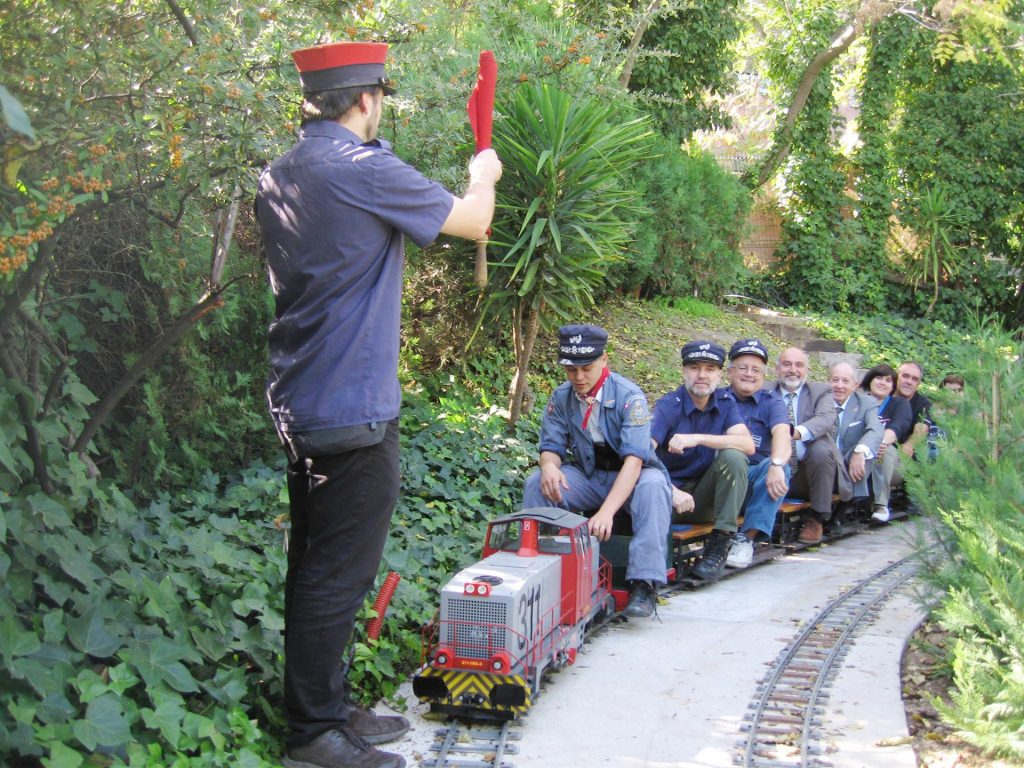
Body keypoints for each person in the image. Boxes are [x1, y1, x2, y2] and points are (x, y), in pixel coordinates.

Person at [256, 41, 502, 768]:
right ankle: (312, 734)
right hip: (351, 408)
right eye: (382, 98)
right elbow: (472, 221)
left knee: (317, 565)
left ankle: (324, 709)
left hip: (302, 402)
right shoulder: (360, 169)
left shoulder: (283, 170)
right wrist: (480, 174)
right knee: (338, 574)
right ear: (366, 99)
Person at [523, 324, 672, 620]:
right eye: (571, 369)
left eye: (586, 368)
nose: (579, 377)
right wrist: (549, 466)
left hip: (634, 476)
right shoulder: (562, 397)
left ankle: (644, 583)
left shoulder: (631, 398)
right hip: (590, 475)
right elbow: (550, 445)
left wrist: (606, 512)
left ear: (604, 360)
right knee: (536, 482)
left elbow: (635, 462)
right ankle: (540, 570)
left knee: (654, 487)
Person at [650, 341, 755, 582]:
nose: (702, 375)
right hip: (669, 500)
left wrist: (697, 438)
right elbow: (643, 453)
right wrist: (671, 489)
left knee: (734, 456)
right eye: (695, 367)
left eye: (709, 369)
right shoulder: (669, 406)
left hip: (703, 497)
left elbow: (748, 445)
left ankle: (719, 545)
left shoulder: (725, 403)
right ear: (684, 371)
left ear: (719, 374)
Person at [720, 340, 792, 568]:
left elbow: (782, 432)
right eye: (743, 368)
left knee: (779, 468)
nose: (749, 374)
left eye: (756, 370)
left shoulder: (772, 401)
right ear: (730, 372)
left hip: (751, 482)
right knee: (731, 458)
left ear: (764, 374)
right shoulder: (716, 398)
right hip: (719, 477)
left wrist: (777, 464)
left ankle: (746, 539)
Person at [795, 362, 884, 544]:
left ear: (855, 385)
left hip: (847, 466)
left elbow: (875, 429)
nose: (840, 385)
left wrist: (860, 451)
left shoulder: (866, 403)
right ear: (828, 381)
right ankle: (818, 517)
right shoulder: (816, 400)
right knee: (820, 452)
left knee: (865, 453)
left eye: (845, 381)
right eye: (835, 380)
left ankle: (839, 511)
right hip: (818, 463)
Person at [769, 348, 840, 543]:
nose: (793, 370)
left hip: (808, 474)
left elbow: (825, 419)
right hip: (773, 469)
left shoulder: (821, 392)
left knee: (821, 450)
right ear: (776, 369)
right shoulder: (764, 391)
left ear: (806, 369)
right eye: (787, 364)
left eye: (799, 365)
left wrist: (792, 432)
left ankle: (816, 518)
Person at [859, 364, 912, 523]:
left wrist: (879, 442)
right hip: (860, 452)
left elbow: (898, 426)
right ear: (870, 380)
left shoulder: (899, 404)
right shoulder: (858, 403)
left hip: (891, 460)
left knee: (884, 451)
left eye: (888, 380)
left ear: (893, 386)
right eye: (879, 378)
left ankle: (880, 504)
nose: (883, 383)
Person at [896, 361, 934, 460]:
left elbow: (921, 429)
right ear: (896, 377)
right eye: (905, 376)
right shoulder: (885, 396)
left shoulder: (923, 404)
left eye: (914, 379)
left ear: (918, 384)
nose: (909, 381)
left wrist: (909, 445)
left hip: (901, 455)